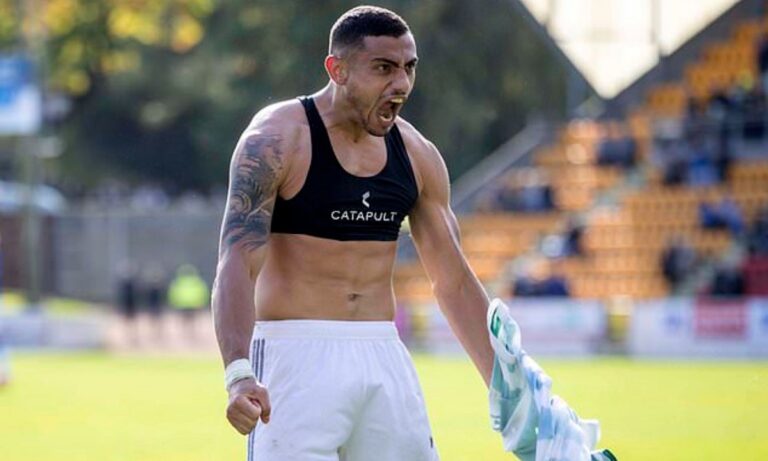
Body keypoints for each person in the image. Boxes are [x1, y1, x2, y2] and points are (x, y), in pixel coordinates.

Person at [212, 6, 493, 460]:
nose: (400, 83)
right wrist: (238, 373)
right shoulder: (278, 138)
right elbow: (237, 262)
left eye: (408, 68)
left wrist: (506, 387)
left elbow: (454, 282)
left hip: (383, 356)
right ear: (337, 69)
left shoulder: (417, 155)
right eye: (383, 68)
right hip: (293, 359)